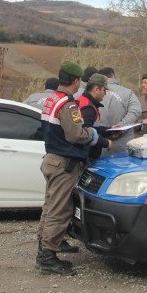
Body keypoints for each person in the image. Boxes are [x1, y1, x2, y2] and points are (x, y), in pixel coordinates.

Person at [36, 61, 105, 275]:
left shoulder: (51, 99)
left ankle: (44, 245)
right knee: (59, 209)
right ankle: (47, 257)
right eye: (79, 82)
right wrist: (92, 135)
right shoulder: (68, 103)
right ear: (75, 81)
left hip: (51, 159)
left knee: (49, 207)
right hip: (63, 163)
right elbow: (75, 134)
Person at [97, 67, 141, 153]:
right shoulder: (128, 92)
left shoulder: (94, 92)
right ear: (113, 76)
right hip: (123, 144)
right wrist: (121, 125)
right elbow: (136, 111)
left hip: (100, 143)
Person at [76, 73, 113, 161]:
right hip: (86, 155)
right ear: (96, 89)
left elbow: (92, 128)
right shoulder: (88, 108)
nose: (105, 93)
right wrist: (107, 143)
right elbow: (86, 134)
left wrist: (109, 130)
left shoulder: (82, 100)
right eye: (104, 90)